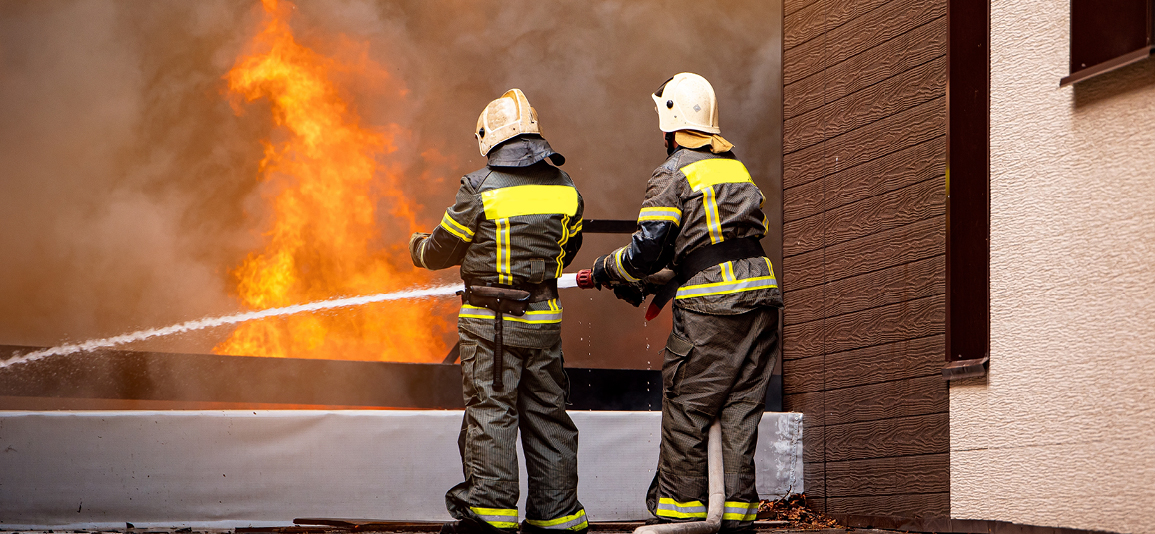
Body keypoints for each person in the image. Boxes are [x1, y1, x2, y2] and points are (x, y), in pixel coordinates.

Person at [583, 73, 782, 531]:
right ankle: (736, 518)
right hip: (761, 299)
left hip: (714, 307)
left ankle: (679, 515)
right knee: (739, 409)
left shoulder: (671, 175)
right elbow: (717, 243)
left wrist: (610, 269)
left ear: (670, 122)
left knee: (688, 405)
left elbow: (644, 251)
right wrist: (665, 278)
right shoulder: (735, 167)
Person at [409, 89, 588, 534]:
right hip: (544, 323)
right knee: (549, 416)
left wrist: (416, 248)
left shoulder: (479, 187)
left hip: (491, 325)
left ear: (490, 139)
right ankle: (558, 517)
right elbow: (567, 249)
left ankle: (490, 515)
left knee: (491, 412)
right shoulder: (566, 189)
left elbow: (439, 251)